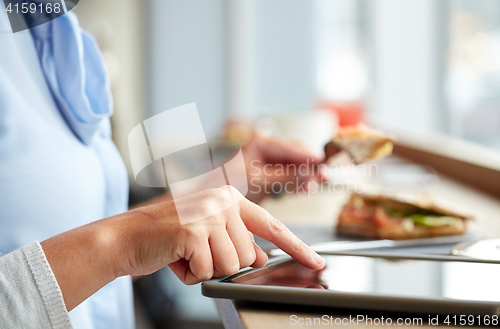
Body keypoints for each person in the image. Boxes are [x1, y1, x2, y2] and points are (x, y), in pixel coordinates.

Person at [0, 7, 325, 329]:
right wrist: (121, 243)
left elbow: (77, 234)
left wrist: (227, 180)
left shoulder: (46, 25)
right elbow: (113, 242)